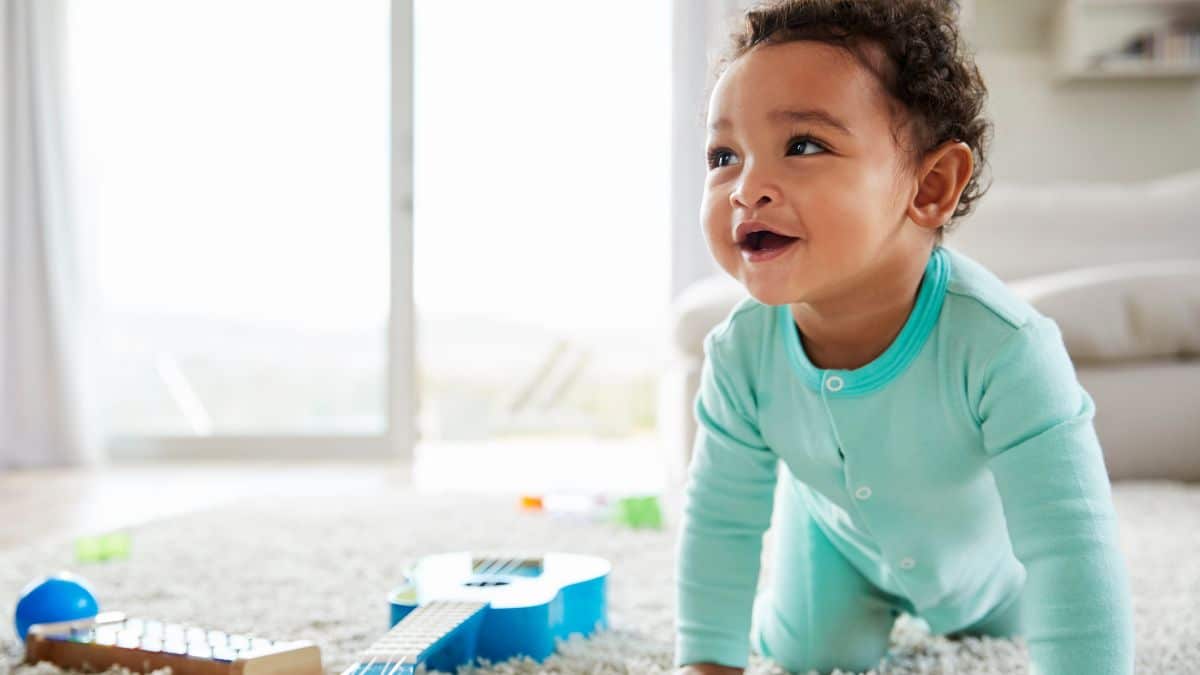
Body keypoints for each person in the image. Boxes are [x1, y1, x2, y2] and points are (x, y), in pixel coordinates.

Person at [673, 1, 1135, 673]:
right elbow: (720, 524)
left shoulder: (1005, 346)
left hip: (988, 564)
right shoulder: (741, 353)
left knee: (1022, 611)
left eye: (802, 145)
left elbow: (1072, 541)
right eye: (724, 155)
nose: (747, 187)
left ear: (931, 185)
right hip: (834, 546)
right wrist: (706, 661)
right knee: (810, 651)